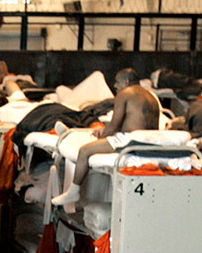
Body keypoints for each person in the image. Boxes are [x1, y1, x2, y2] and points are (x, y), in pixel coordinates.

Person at [51, 68, 161, 206]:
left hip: (131, 142)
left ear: (126, 81)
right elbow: (137, 124)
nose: (115, 86)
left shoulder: (125, 93)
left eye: (117, 82)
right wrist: (104, 131)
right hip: (150, 142)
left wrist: (102, 138)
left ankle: (73, 191)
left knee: (84, 151)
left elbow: (114, 125)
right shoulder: (151, 96)